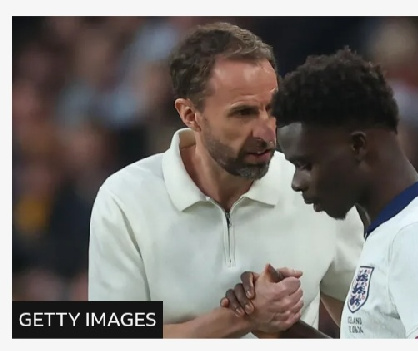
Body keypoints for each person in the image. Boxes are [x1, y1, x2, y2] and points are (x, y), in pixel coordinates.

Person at [87, 23, 365, 338]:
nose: (267, 132)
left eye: (272, 109)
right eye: (243, 113)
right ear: (190, 115)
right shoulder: (124, 199)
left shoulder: (321, 191)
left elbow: (371, 325)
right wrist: (243, 318)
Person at [221, 48, 418, 339]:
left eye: (306, 164)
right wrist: (283, 329)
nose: (297, 182)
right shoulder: (392, 232)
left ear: (358, 146)